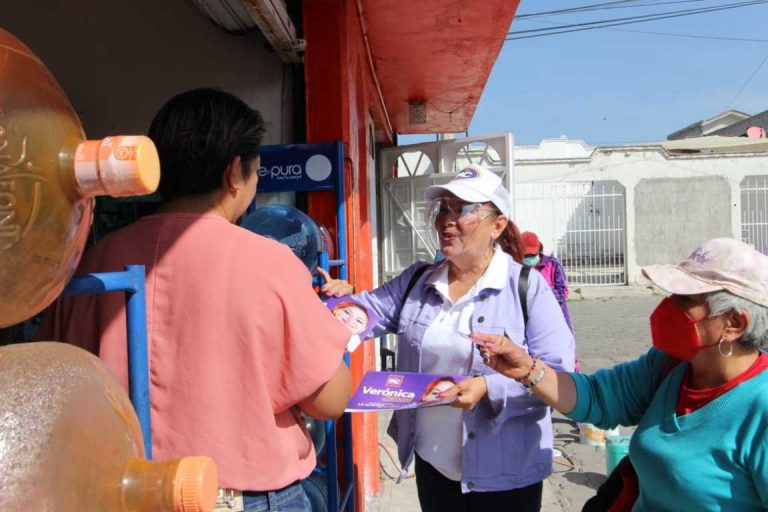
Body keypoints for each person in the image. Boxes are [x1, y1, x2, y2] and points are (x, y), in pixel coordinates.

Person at [36, 88, 352, 512]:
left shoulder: (93, 262)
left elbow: (57, 383)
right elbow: (329, 401)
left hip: (120, 495)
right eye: (255, 172)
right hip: (245, 499)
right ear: (234, 174)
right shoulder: (269, 262)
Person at [320, 164, 575, 512]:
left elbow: (559, 378)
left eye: (462, 210)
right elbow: (363, 312)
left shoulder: (527, 289)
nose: (446, 220)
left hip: (506, 476)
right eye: (443, 209)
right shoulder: (418, 281)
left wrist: (488, 388)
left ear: (497, 226)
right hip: (433, 465)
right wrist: (336, 300)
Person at [476, 237, 768, 511]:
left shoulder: (760, 408)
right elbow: (599, 397)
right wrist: (526, 368)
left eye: (685, 301)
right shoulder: (670, 364)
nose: (668, 307)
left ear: (734, 322)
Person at [521, 231, 572, 331]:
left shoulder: (553, 264)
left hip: (555, 318)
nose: (529, 258)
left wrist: (540, 295)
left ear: (538, 250)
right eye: (525, 256)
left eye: (532, 255)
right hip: (530, 322)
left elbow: (563, 292)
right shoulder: (517, 267)